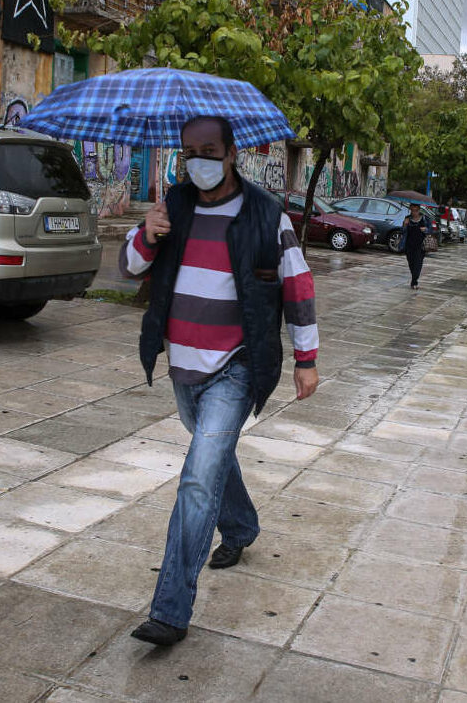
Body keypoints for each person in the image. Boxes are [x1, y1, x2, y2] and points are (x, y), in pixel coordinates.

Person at [119, 115, 319, 648]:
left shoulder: (265, 214)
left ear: (232, 153)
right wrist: (148, 231)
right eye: (189, 151)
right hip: (182, 365)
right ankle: (241, 527)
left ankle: (170, 611)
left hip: (235, 367)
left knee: (197, 478)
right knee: (214, 455)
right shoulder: (174, 207)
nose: (198, 160)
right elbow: (129, 268)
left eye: (209, 149)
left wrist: (306, 357)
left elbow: (297, 286)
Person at [401, 203, 432, 289]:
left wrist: (426, 229)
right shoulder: (407, 218)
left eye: (416, 210)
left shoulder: (425, 219)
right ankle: (414, 278)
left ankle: (414, 282)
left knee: (418, 264)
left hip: (421, 245)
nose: (414, 212)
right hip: (409, 245)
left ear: (419, 210)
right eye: (412, 210)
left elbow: (430, 231)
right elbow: (403, 231)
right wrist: (404, 224)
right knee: (411, 263)